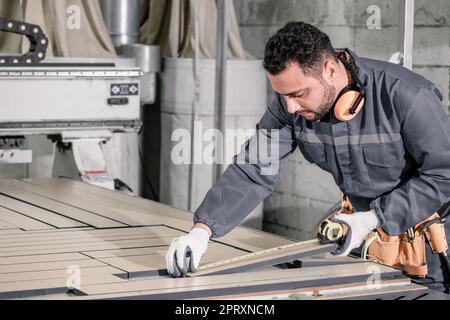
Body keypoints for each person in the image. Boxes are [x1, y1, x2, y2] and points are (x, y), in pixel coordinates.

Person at [165, 21, 450, 293]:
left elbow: (444, 175)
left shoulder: (407, 96)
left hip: (435, 252)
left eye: (298, 94)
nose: (289, 107)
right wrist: (203, 229)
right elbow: (253, 167)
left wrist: (374, 217)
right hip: (372, 245)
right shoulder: (290, 107)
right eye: (283, 95)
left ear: (329, 70)